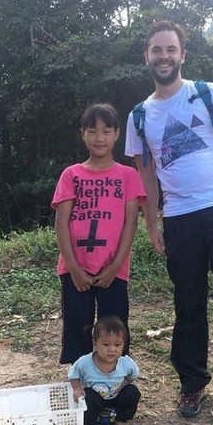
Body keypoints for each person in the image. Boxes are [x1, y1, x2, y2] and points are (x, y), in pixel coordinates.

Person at [125, 20, 213, 422]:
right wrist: (153, 224)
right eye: (157, 50)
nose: (164, 56)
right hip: (179, 218)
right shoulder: (139, 116)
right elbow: (146, 176)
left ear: (182, 54)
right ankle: (191, 383)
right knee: (188, 301)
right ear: (146, 57)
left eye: (171, 49)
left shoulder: (208, 93)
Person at [52, 103, 147, 364]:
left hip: (113, 269)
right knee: (78, 327)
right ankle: (81, 380)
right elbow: (61, 223)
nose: (99, 138)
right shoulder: (71, 174)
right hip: (75, 269)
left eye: (106, 131)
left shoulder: (128, 175)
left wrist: (116, 266)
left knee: (114, 328)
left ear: (117, 134)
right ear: (83, 134)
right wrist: (73, 268)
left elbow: (130, 224)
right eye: (92, 131)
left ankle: (116, 377)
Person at [68, 314, 141, 425]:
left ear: (124, 344)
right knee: (88, 396)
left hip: (116, 397)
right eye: (106, 344)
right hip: (95, 399)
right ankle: (90, 424)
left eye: (117, 345)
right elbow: (73, 375)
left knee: (132, 391)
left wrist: (123, 385)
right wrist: (77, 388)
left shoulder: (126, 363)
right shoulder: (84, 362)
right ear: (95, 343)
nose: (112, 349)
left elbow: (132, 376)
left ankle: (121, 419)